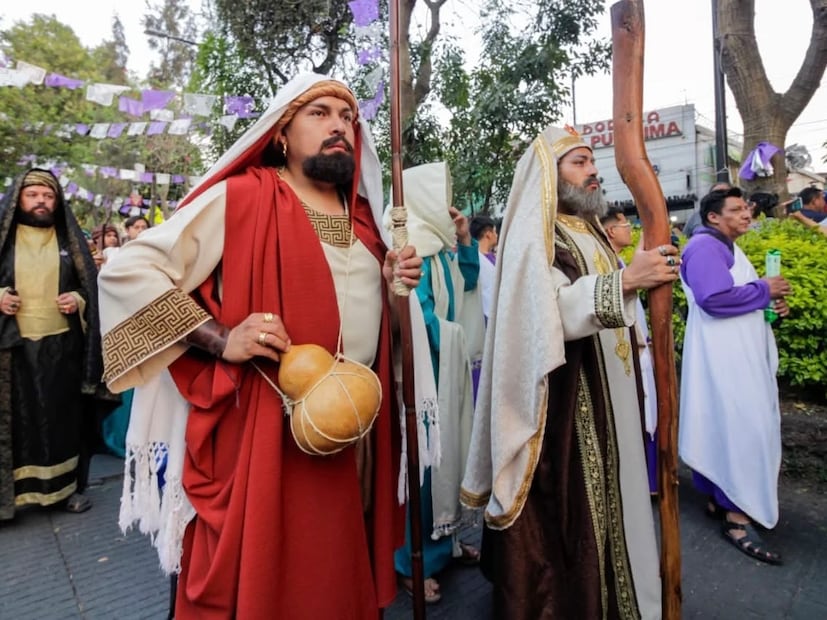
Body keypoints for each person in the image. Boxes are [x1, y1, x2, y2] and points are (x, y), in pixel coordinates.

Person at [98, 74, 423, 617]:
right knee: (271, 581)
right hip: (268, 431)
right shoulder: (244, 198)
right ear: (281, 134)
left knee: (338, 583)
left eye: (347, 117)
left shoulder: (368, 225)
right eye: (320, 113)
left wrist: (395, 291)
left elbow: (380, 334)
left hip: (355, 434)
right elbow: (128, 271)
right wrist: (219, 337)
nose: (339, 126)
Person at [462, 125, 676, 618]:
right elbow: (544, 315)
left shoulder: (590, 228)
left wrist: (636, 279)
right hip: (568, 404)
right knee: (576, 519)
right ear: (548, 175)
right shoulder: (536, 235)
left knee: (624, 502)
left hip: (613, 390)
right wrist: (626, 281)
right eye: (579, 162)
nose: (593, 170)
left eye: (593, 161)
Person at [679, 186, 791, 565]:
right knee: (744, 427)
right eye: (737, 209)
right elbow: (713, 299)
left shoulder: (723, 245)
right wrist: (763, 289)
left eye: (747, 208)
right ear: (714, 217)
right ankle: (736, 518)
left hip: (735, 354)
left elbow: (737, 293)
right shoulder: (704, 247)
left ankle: (720, 498)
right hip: (724, 357)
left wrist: (769, 302)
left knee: (731, 425)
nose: (747, 214)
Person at [389, 162, 483, 604]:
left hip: (446, 366)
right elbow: (418, 314)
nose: (448, 206)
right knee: (423, 470)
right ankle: (412, 564)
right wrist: (451, 339)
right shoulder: (411, 247)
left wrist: (463, 239)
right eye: (440, 196)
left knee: (448, 460)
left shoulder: (441, 247)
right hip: (421, 374)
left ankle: (446, 545)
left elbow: (468, 284)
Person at [0, 168, 102, 519]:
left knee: (60, 422)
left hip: (61, 351)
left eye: (48, 195)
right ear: (18, 199)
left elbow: (89, 287)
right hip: (10, 353)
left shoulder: (68, 241)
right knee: (15, 427)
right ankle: (9, 500)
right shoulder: (4, 240)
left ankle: (64, 492)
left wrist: (78, 299)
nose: (40, 201)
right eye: (33, 195)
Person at [601, 206, 659, 495]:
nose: (630, 230)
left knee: (647, 415)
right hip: (625, 354)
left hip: (640, 349)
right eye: (626, 226)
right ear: (611, 231)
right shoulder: (605, 264)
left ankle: (649, 482)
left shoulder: (621, 262)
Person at [469, 214, 498, 322]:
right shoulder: (476, 259)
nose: (496, 235)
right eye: (495, 232)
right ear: (488, 234)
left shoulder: (493, 257)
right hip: (484, 316)